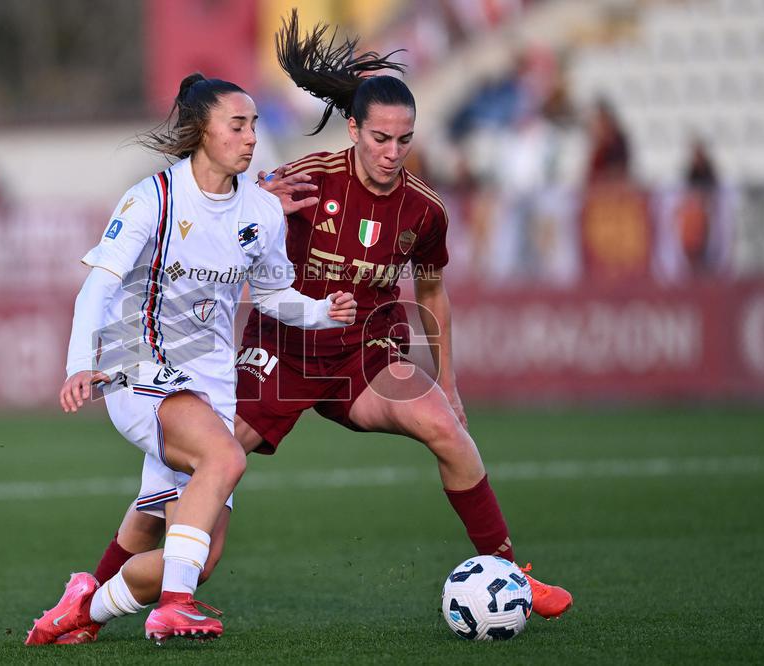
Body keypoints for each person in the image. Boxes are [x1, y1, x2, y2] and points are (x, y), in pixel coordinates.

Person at [64, 11, 574, 645]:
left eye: (404, 140)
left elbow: (433, 290)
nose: (391, 153)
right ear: (354, 128)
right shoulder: (308, 182)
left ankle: (509, 572)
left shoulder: (424, 210)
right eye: (380, 138)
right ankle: (87, 600)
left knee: (444, 427)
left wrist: (449, 381)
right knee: (189, 485)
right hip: (281, 353)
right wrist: (259, 197)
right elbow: (240, 228)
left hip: (365, 354)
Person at [24, 72, 357, 646]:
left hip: (209, 387)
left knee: (195, 554)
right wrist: (80, 363)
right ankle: (175, 608)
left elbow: (274, 295)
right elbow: (96, 289)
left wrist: (325, 311)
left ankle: (87, 606)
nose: (252, 137)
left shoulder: (261, 211)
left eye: (255, 124)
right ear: (202, 130)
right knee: (225, 458)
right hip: (137, 365)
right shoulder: (152, 196)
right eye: (238, 125)